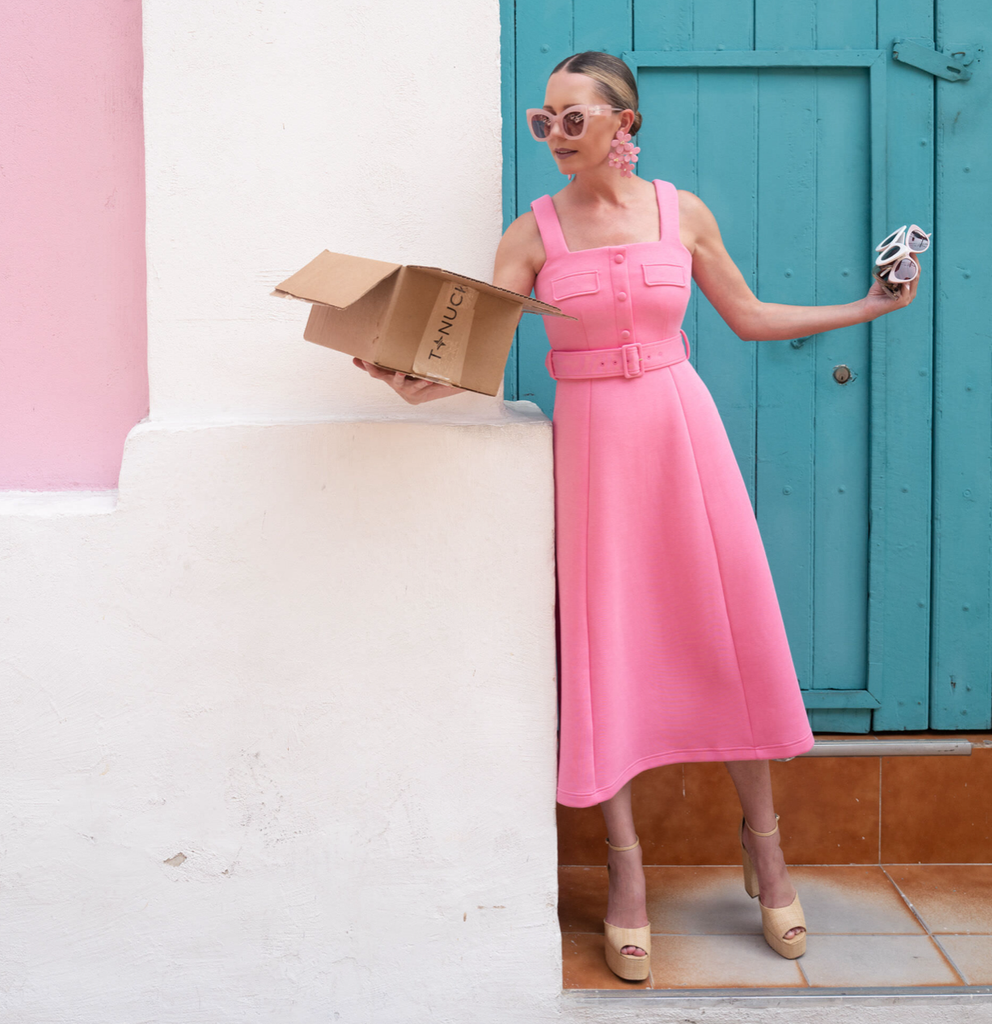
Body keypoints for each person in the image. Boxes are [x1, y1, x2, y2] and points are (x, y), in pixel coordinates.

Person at [355, 51, 919, 981]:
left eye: (570, 118)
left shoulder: (681, 211)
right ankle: (626, 871)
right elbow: (480, 359)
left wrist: (868, 306)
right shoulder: (530, 233)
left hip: (681, 434)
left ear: (625, 123)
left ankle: (766, 845)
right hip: (595, 455)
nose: (553, 137)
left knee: (724, 629)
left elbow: (745, 314)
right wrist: (407, 381)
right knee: (608, 642)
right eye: (543, 121)